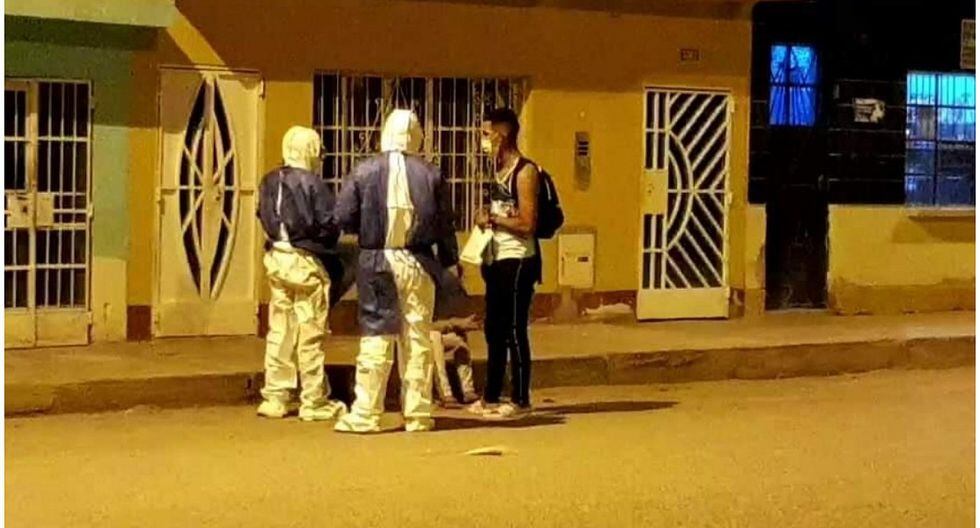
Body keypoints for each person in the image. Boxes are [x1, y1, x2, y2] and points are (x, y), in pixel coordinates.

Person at [333, 109, 460, 434]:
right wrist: (449, 262)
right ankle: (418, 414)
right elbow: (445, 225)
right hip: (419, 262)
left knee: (377, 337)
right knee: (418, 338)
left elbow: (343, 216)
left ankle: (366, 413)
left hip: (377, 262)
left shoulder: (364, 171)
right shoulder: (432, 174)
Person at [255, 126, 348, 421]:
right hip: (307, 262)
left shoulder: (269, 180)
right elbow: (328, 224)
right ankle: (313, 399)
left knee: (280, 331)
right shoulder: (313, 184)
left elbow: (262, 215)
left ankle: (275, 396)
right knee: (310, 333)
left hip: (277, 259)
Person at [469, 108, 541, 420]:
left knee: (514, 329)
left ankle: (521, 399)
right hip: (495, 257)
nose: (483, 140)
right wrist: (484, 217)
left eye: (487, 134)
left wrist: (496, 220)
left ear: (504, 133)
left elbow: (527, 222)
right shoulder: (496, 170)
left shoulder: (525, 172)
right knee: (494, 329)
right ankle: (491, 395)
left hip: (518, 259)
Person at [431, 316, 480, 406]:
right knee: (434, 336)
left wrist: (458, 325)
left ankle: (468, 390)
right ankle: (445, 393)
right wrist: (454, 323)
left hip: (434, 333)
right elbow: (424, 326)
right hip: (415, 340)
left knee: (459, 339)